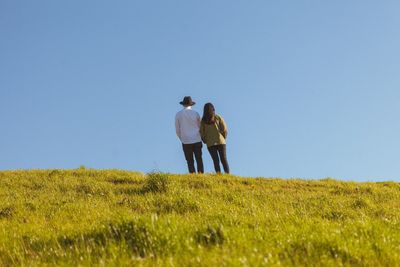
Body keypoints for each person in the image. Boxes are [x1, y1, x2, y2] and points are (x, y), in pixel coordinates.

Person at [175, 96, 204, 174]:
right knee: (199, 159)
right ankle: (201, 175)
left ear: (183, 104)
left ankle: (192, 175)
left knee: (189, 161)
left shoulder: (178, 114)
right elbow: (200, 127)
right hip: (197, 139)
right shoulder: (196, 113)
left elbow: (177, 130)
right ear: (191, 104)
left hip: (186, 140)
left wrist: (182, 139)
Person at [200, 103, 230, 174]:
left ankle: (218, 175)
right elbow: (225, 129)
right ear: (213, 109)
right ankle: (228, 174)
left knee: (215, 161)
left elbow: (202, 133)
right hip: (220, 141)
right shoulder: (217, 117)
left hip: (210, 144)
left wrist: (205, 141)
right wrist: (223, 137)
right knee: (224, 159)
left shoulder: (203, 121)